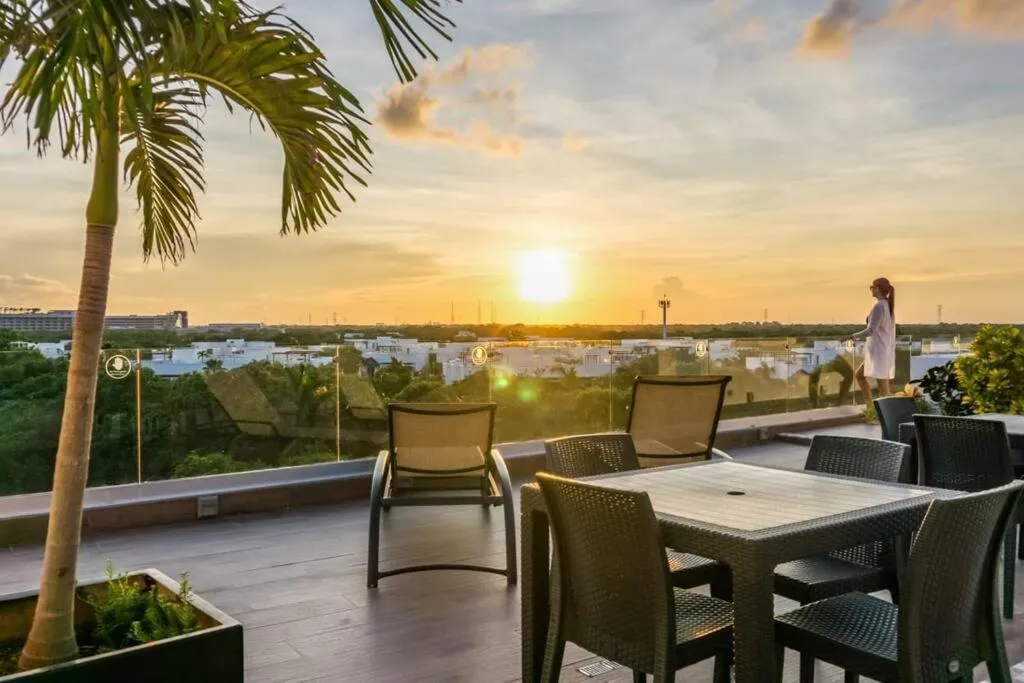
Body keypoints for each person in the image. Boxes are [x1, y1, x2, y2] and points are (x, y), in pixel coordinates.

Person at [851, 277, 896, 400]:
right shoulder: (886, 305)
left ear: (878, 289)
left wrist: (851, 336)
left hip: (878, 351)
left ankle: (877, 410)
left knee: (885, 391)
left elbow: (871, 330)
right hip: (881, 349)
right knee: (861, 376)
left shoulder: (879, 306)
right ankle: (871, 407)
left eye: (872, 287)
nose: (871, 289)